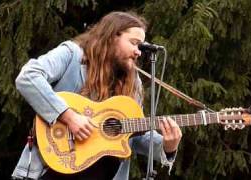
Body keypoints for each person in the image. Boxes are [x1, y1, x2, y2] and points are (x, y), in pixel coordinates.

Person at [12, 11, 182, 180]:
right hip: (48, 170)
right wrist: (69, 116)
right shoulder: (72, 54)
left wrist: (167, 146)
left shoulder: (133, 82)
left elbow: (135, 134)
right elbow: (28, 76)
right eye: (134, 43)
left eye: (141, 46)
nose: (139, 52)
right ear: (111, 37)